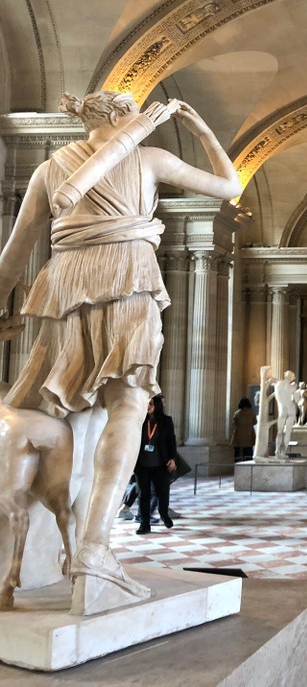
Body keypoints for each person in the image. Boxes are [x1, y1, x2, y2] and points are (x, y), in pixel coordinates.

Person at [0, 90, 241, 610]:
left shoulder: (49, 170)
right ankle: (94, 547)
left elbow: (13, 255)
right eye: (133, 109)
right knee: (127, 409)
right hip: (127, 277)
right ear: (119, 116)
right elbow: (231, 185)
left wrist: (0, 307)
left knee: (59, 406)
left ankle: (39, 555)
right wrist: (202, 131)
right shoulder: (148, 157)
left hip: (64, 284)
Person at [134, 395, 178, 535]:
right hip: (142, 465)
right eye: (147, 404)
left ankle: (164, 514)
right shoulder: (140, 421)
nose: (148, 406)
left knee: (162, 494)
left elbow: (172, 441)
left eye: (151, 404)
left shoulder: (166, 421)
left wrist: (173, 458)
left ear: (157, 405)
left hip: (160, 464)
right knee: (144, 495)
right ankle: (144, 524)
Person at [230, 397, 257, 462]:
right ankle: (248, 465)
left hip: (239, 434)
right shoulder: (252, 413)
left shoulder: (237, 413)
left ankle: (237, 466)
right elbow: (255, 422)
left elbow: (234, 422)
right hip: (249, 433)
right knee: (248, 451)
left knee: (237, 452)